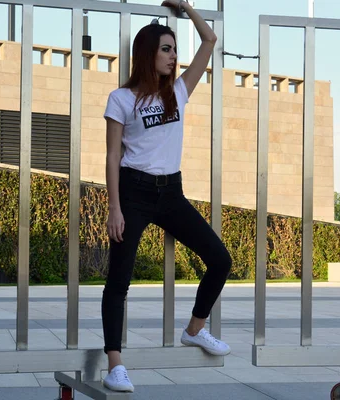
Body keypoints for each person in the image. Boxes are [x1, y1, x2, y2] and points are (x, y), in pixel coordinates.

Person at [101, 0, 232, 393]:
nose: (174, 56)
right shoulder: (121, 99)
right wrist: (114, 208)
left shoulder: (178, 91)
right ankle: (115, 363)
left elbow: (210, 38)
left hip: (171, 192)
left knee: (220, 259)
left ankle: (195, 329)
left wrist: (186, 6)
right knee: (118, 282)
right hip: (133, 191)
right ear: (147, 53)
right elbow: (111, 155)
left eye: (175, 49)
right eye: (167, 49)